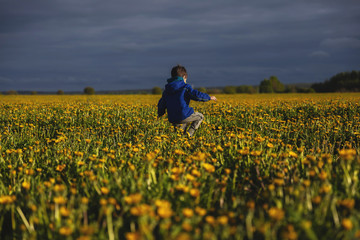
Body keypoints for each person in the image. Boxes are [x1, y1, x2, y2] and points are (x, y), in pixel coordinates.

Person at [157, 64, 217, 137]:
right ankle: (189, 135)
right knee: (200, 116)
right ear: (184, 77)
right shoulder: (185, 87)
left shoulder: (167, 90)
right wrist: (208, 97)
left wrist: (160, 113)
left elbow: (162, 103)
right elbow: (196, 95)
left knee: (179, 135)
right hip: (183, 115)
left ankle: (181, 141)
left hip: (172, 118)